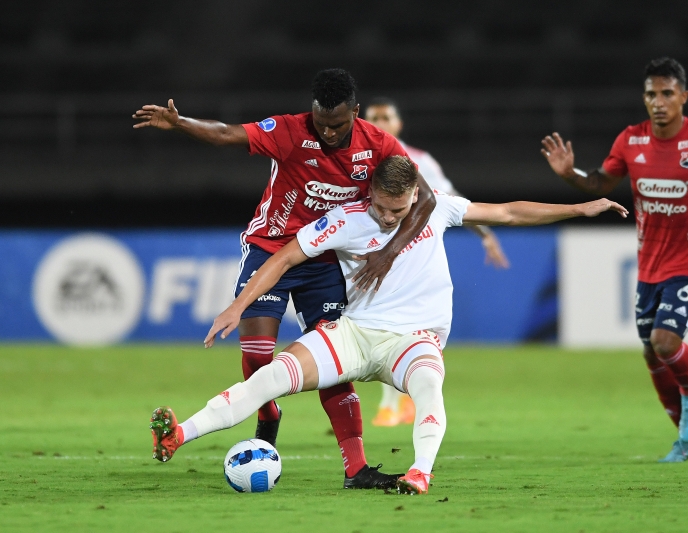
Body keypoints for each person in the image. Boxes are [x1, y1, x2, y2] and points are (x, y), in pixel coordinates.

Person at [149, 155, 627, 494]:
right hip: (355, 333)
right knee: (270, 375)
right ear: (371, 194)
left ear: (414, 196)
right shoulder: (347, 220)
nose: (386, 216)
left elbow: (506, 212)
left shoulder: (436, 206)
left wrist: (580, 209)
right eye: (380, 206)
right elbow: (285, 256)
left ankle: (419, 473)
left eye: (397, 210)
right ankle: (178, 435)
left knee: (427, 387)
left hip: (413, 338)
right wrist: (239, 305)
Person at [133, 69, 437, 489]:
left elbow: (427, 198)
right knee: (258, 354)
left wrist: (387, 254)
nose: (328, 132)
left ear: (356, 113)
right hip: (272, 248)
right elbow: (227, 134)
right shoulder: (291, 130)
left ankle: (356, 468)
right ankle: (266, 411)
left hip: (326, 259)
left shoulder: (378, 144)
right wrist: (181, 123)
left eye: (338, 124)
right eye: (322, 122)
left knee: (334, 361)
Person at [541, 57, 688, 462]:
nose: (657, 102)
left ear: (683, 97)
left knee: (665, 341)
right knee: (651, 351)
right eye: (650, 94)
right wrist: (570, 175)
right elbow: (602, 182)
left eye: (666, 94)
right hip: (649, 264)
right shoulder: (631, 140)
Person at [364, 97, 510, 427]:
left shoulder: (419, 161)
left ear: (398, 124)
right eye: (374, 117)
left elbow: (451, 200)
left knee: (398, 326)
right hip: (371, 254)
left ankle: (394, 405)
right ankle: (398, 402)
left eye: (386, 117)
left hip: (409, 256)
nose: (380, 123)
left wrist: (485, 235)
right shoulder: (359, 161)